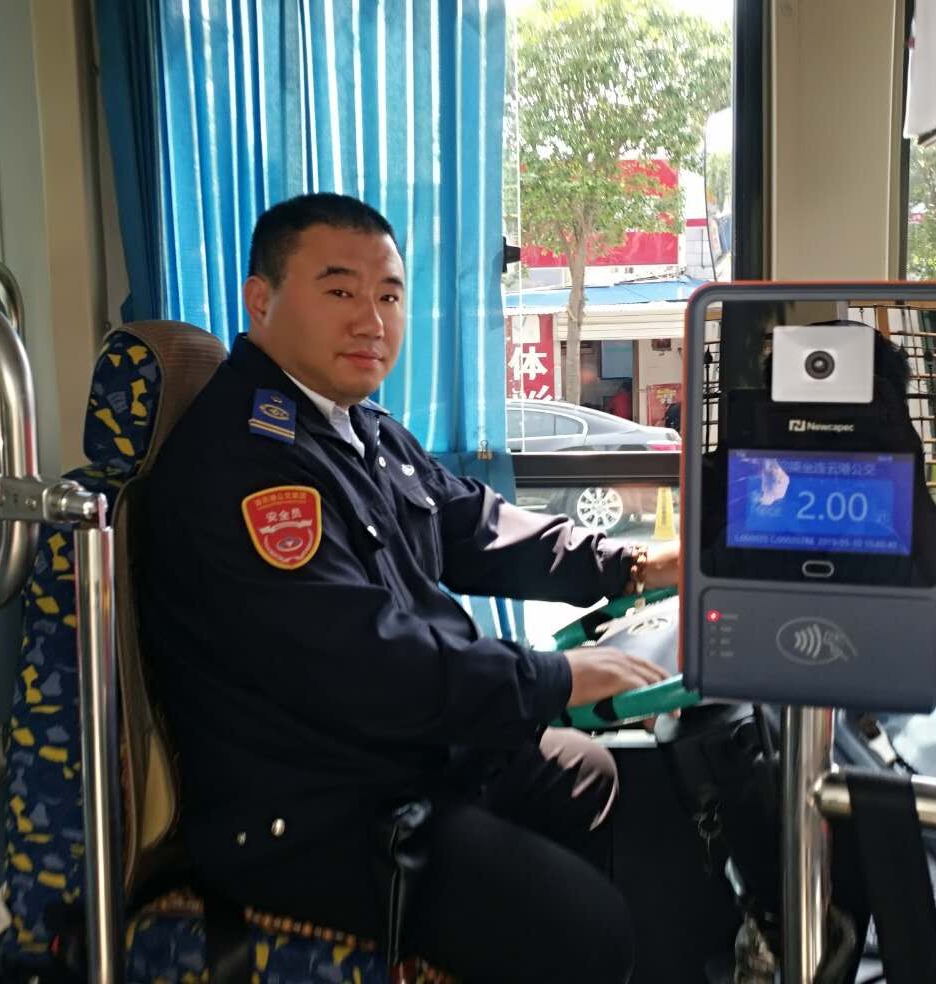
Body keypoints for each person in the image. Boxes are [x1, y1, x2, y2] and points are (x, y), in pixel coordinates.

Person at [140, 193, 679, 983]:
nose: (372, 321)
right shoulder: (243, 463)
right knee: (590, 932)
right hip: (313, 809)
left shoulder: (358, 427)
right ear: (261, 300)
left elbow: (477, 528)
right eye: (340, 290)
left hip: (393, 755)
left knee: (592, 777)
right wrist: (554, 677)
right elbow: (363, 663)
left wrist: (633, 565)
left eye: (389, 296)